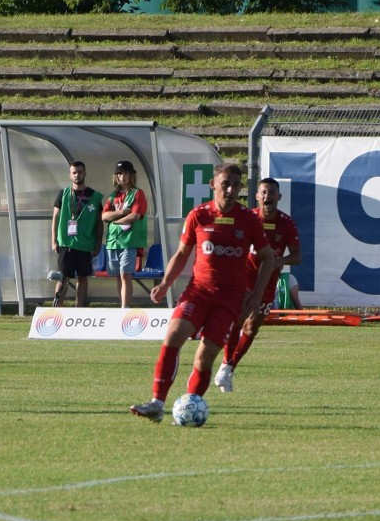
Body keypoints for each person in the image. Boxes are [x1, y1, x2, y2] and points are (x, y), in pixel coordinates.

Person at [130, 163, 274, 423]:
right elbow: (182, 254)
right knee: (173, 335)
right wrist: (164, 284)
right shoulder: (198, 215)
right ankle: (156, 403)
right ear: (213, 184)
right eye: (225, 184)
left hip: (229, 300)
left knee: (204, 356)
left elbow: (269, 257)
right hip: (198, 291)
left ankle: (188, 406)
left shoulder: (249, 219)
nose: (230, 190)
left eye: (235, 185)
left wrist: (255, 297)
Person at [214, 177, 301, 393]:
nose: (267, 196)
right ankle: (226, 363)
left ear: (278, 197)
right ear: (257, 196)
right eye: (263, 192)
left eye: (271, 193)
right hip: (244, 277)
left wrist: (277, 261)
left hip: (268, 281)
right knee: (240, 319)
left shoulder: (286, 223)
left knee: (252, 328)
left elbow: (297, 256)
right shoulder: (247, 218)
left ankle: (229, 367)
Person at [50, 160, 103, 307]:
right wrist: (54, 240)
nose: (77, 175)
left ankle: (79, 309)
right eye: (74, 172)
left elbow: (100, 222)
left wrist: (98, 244)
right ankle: (56, 310)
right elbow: (55, 217)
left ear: (85, 173)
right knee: (63, 277)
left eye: (80, 172)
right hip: (66, 243)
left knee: (83, 277)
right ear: (70, 175)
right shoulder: (63, 194)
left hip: (85, 244)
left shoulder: (94, 196)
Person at [101, 160, 148, 308]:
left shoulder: (137, 193)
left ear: (131, 175)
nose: (123, 177)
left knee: (125, 275)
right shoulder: (113, 196)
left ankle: (125, 308)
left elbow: (135, 216)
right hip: (113, 241)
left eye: (126, 173)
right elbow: (104, 216)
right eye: (119, 174)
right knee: (118, 276)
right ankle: (121, 304)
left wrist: (114, 219)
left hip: (129, 241)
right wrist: (121, 213)